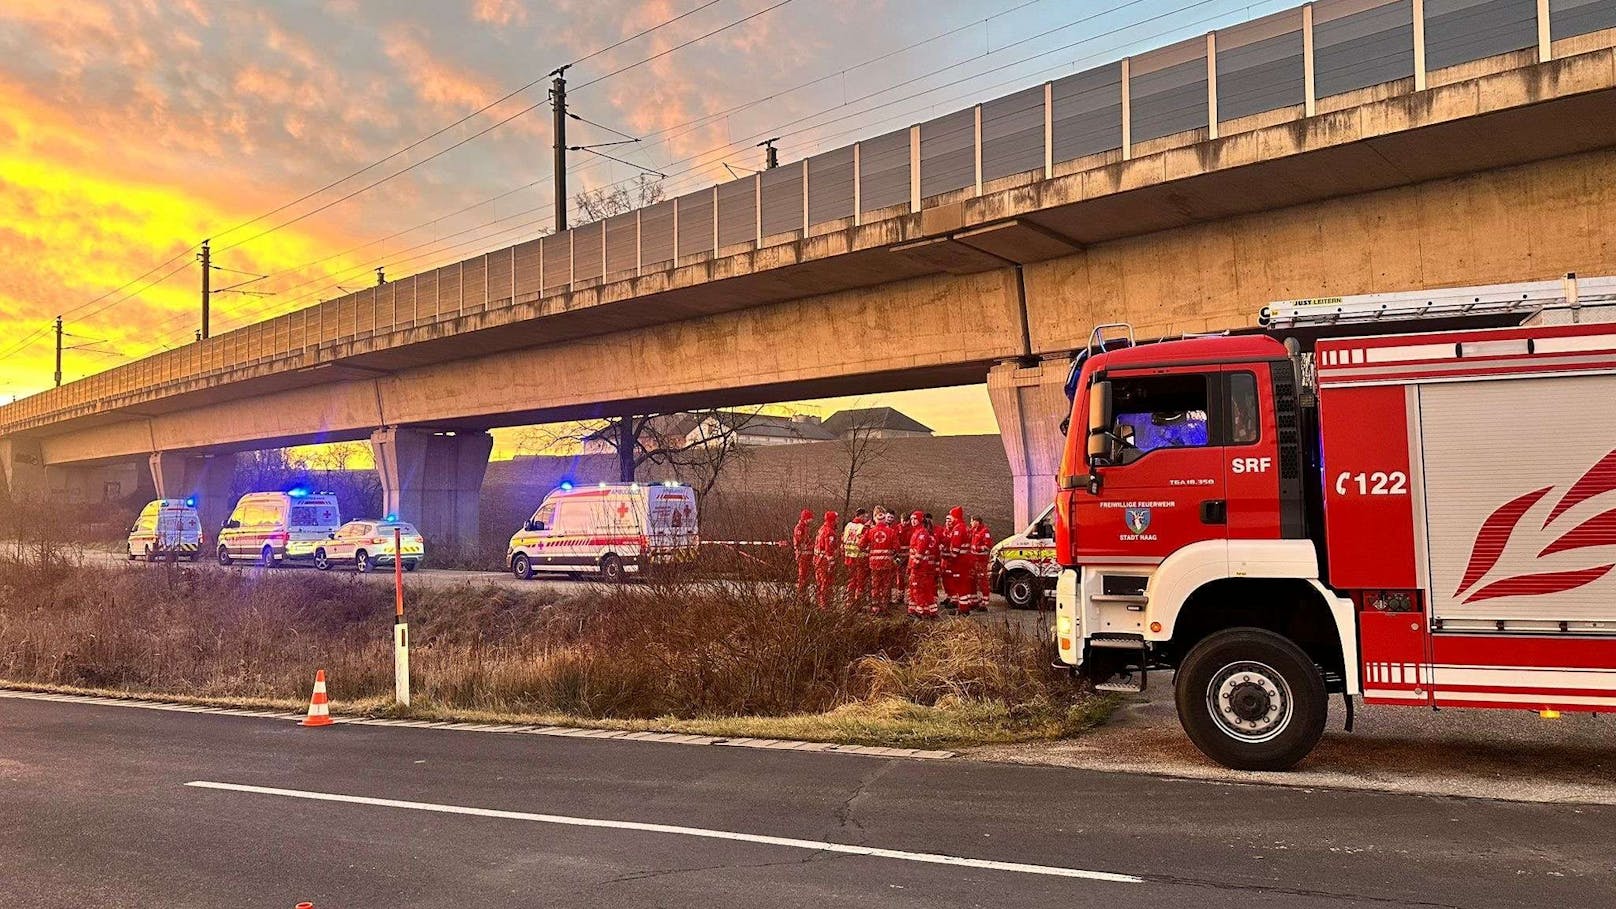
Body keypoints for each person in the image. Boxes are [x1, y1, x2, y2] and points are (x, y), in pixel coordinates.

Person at [866, 510, 901, 615]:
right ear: (885, 520)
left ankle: (875, 608)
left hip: (874, 564)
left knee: (875, 585)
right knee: (886, 585)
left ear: (875, 519)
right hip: (887, 563)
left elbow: (861, 544)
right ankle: (884, 607)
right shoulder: (891, 531)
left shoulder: (871, 531)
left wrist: (869, 549)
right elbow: (897, 547)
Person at [905, 511, 939, 618]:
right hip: (917, 566)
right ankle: (927, 611)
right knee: (922, 589)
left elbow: (919, 552)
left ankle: (921, 612)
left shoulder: (922, 534)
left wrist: (913, 566)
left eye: (915, 519)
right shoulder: (917, 532)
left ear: (920, 520)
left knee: (918, 589)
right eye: (911, 519)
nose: (913, 521)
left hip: (919, 568)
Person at [939, 506, 972, 614]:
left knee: (960, 585)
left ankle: (963, 610)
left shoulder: (958, 529)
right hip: (965, 560)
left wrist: (950, 557)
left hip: (959, 562)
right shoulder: (965, 527)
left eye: (951, 517)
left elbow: (956, 548)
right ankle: (964, 607)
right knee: (964, 585)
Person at [841, 508, 872, 608]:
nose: (866, 518)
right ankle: (858, 603)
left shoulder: (848, 526)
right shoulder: (862, 528)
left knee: (851, 580)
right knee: (860, 582)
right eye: (865, 517)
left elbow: (843, 540)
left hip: (848, 557)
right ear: (861, 516)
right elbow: (865, 544)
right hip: (860, 558)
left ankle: (849, 601)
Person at [813, 510, 840, 609]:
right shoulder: (830, 532)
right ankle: (825, 605)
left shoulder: (822, 529)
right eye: (836, 519)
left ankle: (820, 603)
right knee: (826, 583)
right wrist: (831, 562)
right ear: (832, 520)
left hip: (818, 560)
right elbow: (829, 549)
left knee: (820, 583)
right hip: (824, 562)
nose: (838, 521)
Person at [969, 515, 994, 614]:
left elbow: (988, 546)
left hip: (981, 561)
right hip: (974, 560)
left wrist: (977, 548)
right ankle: (974, 601)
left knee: (983, 581)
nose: (970, 523)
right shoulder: (974, 531)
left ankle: (985, 602)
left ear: (977, 522)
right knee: (973, 580)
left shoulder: (984, 532)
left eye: (972, 521)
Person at [791, 508, 816, 597]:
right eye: (810, 518)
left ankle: (804, 593)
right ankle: (801, 594)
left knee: (806, 576)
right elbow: (801, 543)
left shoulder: (805, 528)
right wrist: (811, 546)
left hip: (807, 556)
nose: (811, 520)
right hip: (803, 556)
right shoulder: (799, 528)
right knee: (803, 576)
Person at [893, 509, 913, 606]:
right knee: (899, 577)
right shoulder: (897, 528)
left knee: (909, 577)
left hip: (909, 557)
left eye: (906, 521)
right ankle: (900, 596)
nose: (904, 522)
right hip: (900, 557)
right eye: (903, 520)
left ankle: (910, 597)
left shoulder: (912, 529)